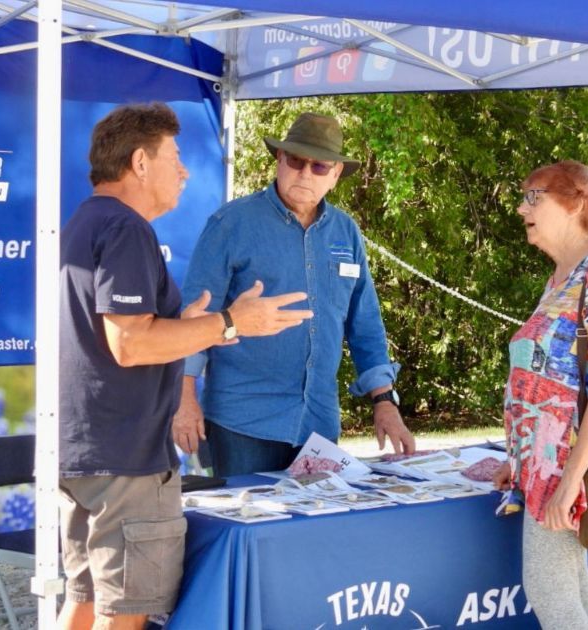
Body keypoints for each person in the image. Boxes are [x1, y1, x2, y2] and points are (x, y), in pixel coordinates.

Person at [58, 103, 312, 630]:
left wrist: (187, 323)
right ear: (140, 163)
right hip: (125, 457)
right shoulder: (126, 228)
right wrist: (229, 323)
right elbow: (129, 343)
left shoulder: (89, 219)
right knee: (122, 613)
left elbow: (130, 332)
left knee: (83, 602)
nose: (185, 169)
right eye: (174, 155)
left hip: (88, 448)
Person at [174, 112, 415, 477]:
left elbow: (364, 323)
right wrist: (184, 398)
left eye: (319, 166)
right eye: (296, 161)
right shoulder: (230, 225)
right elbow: (193, 316)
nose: (305, 173)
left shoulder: (346, 233)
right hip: (242, 422)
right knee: (250, 528)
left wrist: (384, 402)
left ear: (335, 175)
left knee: (311, 532)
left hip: (317, 423)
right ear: (279, 160)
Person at [491, 160, 588, 629]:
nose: (522, 208)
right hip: (546, 463)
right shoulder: (564, 276)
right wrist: (516, 458)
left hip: (572, 465)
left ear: (575, 203)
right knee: (571, 590)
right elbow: (554, 380)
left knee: (551, 594)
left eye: (534, 197)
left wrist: (571, 477)